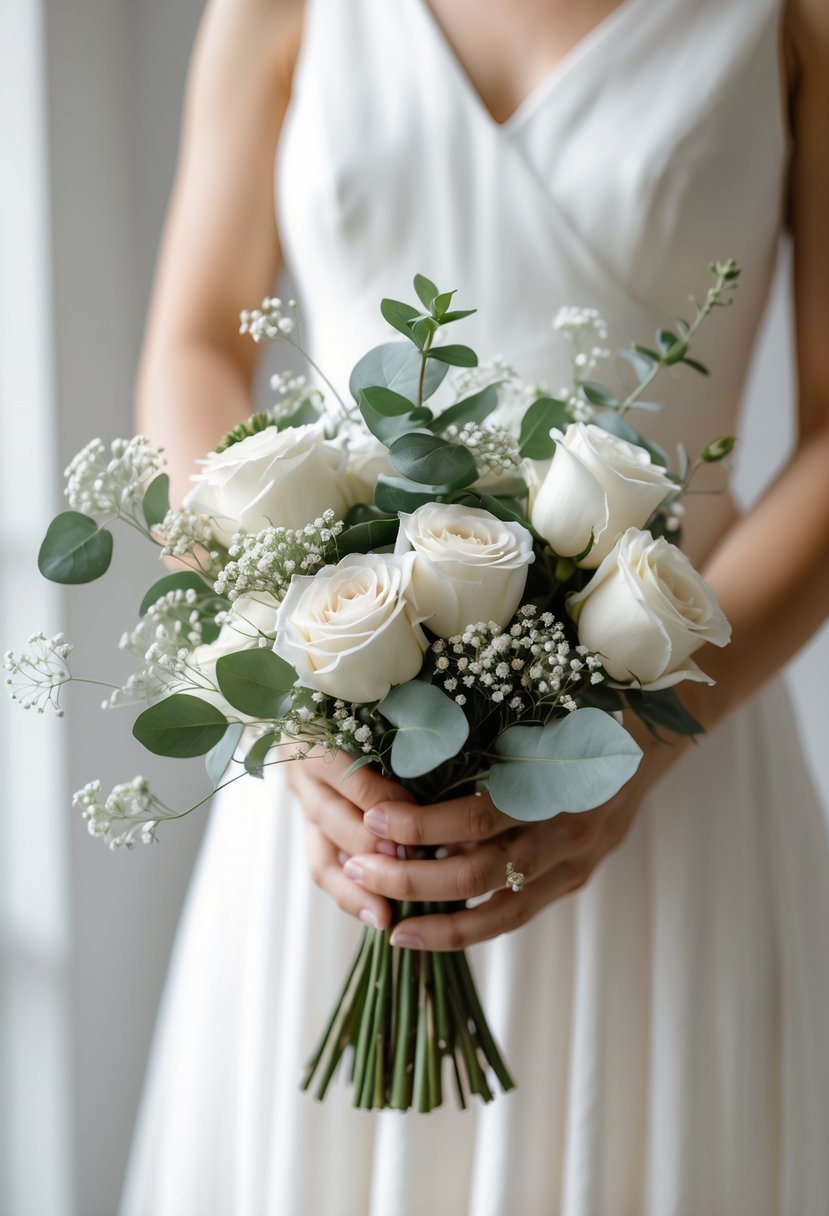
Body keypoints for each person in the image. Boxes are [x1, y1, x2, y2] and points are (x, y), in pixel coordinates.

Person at [121, 0, 829, 1212]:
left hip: (669, 767)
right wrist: (283, 688)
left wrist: (640, 743)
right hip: (341, 787)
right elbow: (193, 340)